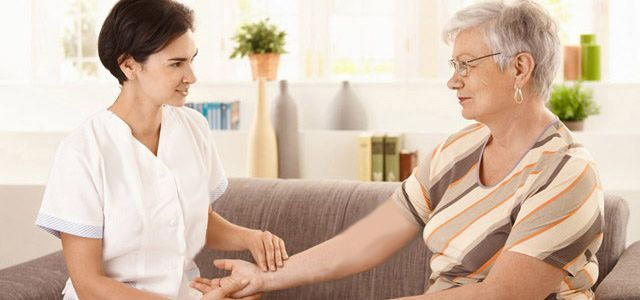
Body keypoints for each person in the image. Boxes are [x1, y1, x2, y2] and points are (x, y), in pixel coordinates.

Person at [192, 1, 603, 299]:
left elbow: (501, 295)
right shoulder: (458, 151)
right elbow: (368, 239)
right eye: (452, 66)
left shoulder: (566, 173)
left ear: (520, 67)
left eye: (467, 65)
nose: (453, 81)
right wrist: (266, 278)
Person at [34, 1, 287, 299]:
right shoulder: (84, 150)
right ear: (128, 65)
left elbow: (197, 220)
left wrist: (250, 238)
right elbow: (89, 284)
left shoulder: (194, 128)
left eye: (192, 60)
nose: (191, 76)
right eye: (176, 64)